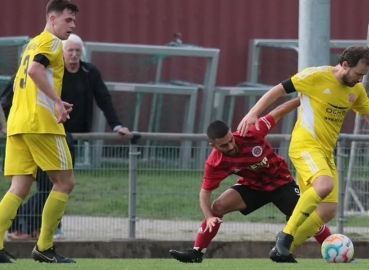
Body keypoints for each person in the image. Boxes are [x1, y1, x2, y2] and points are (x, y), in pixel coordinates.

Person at [237, 46, 369, 261]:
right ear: (345, 65)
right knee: (324, 185)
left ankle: (283, 251)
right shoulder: (316, 76)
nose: (361, 79)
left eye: (364, 76)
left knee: (327, 211)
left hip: (325, 153)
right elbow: (278, 89)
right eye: (358, 74)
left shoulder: (357, 91)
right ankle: (286, 235)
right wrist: (253, 113)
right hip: (305, 145)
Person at [169, 98, 333, 264]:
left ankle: (334, 250)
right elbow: (204, 193)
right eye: (224, 146)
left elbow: (278, 111)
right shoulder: (215, 162)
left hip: (280, 181)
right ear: (213, 145)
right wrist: (209, 217)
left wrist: (305, 98)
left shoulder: (249, 131)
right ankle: (196, 253)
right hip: (253, 186)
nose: (231, 146)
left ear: (232, 133)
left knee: (306, 215)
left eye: (230, 140)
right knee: (218, 206)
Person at [6, 33, 131, 240]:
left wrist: (116, 125)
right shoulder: (47, 66)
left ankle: (36, 228)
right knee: (53, 185)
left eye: (77, 51)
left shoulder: (89, 72)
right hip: (44, 129)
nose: (73, 55)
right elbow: (16, 88)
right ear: (61, 52)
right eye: (69, 50)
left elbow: (104, 99)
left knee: (41, 186)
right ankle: (32, 230)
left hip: (65, 132)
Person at [0, 0, 79, 264]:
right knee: (65, 182)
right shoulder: (51, 42)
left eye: (74, 21)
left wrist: (55, 97)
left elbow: (30, 76)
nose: (73, 25)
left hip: (18, 124)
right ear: (53, 18)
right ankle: (44, 247)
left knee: (19, 187)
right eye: (68, 20)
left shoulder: (31, 44)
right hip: (41, 125)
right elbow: (35, 71)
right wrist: (56, 102)